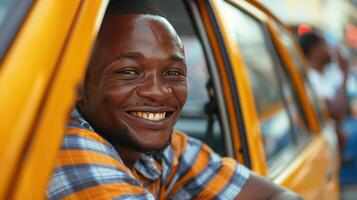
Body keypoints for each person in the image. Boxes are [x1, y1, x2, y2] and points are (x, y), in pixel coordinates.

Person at [47, 1, 301, 199]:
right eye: (129, 72)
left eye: (173, 73)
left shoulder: (163, 152)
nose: (158, 92)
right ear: (78, 83)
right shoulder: (70, 148)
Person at [299, 31, 349, 153]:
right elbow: (337, 113)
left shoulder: (320, 77)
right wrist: (345, 73)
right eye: (325, 46)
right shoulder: (311, 79)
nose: (330, 51)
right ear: (314, 49)